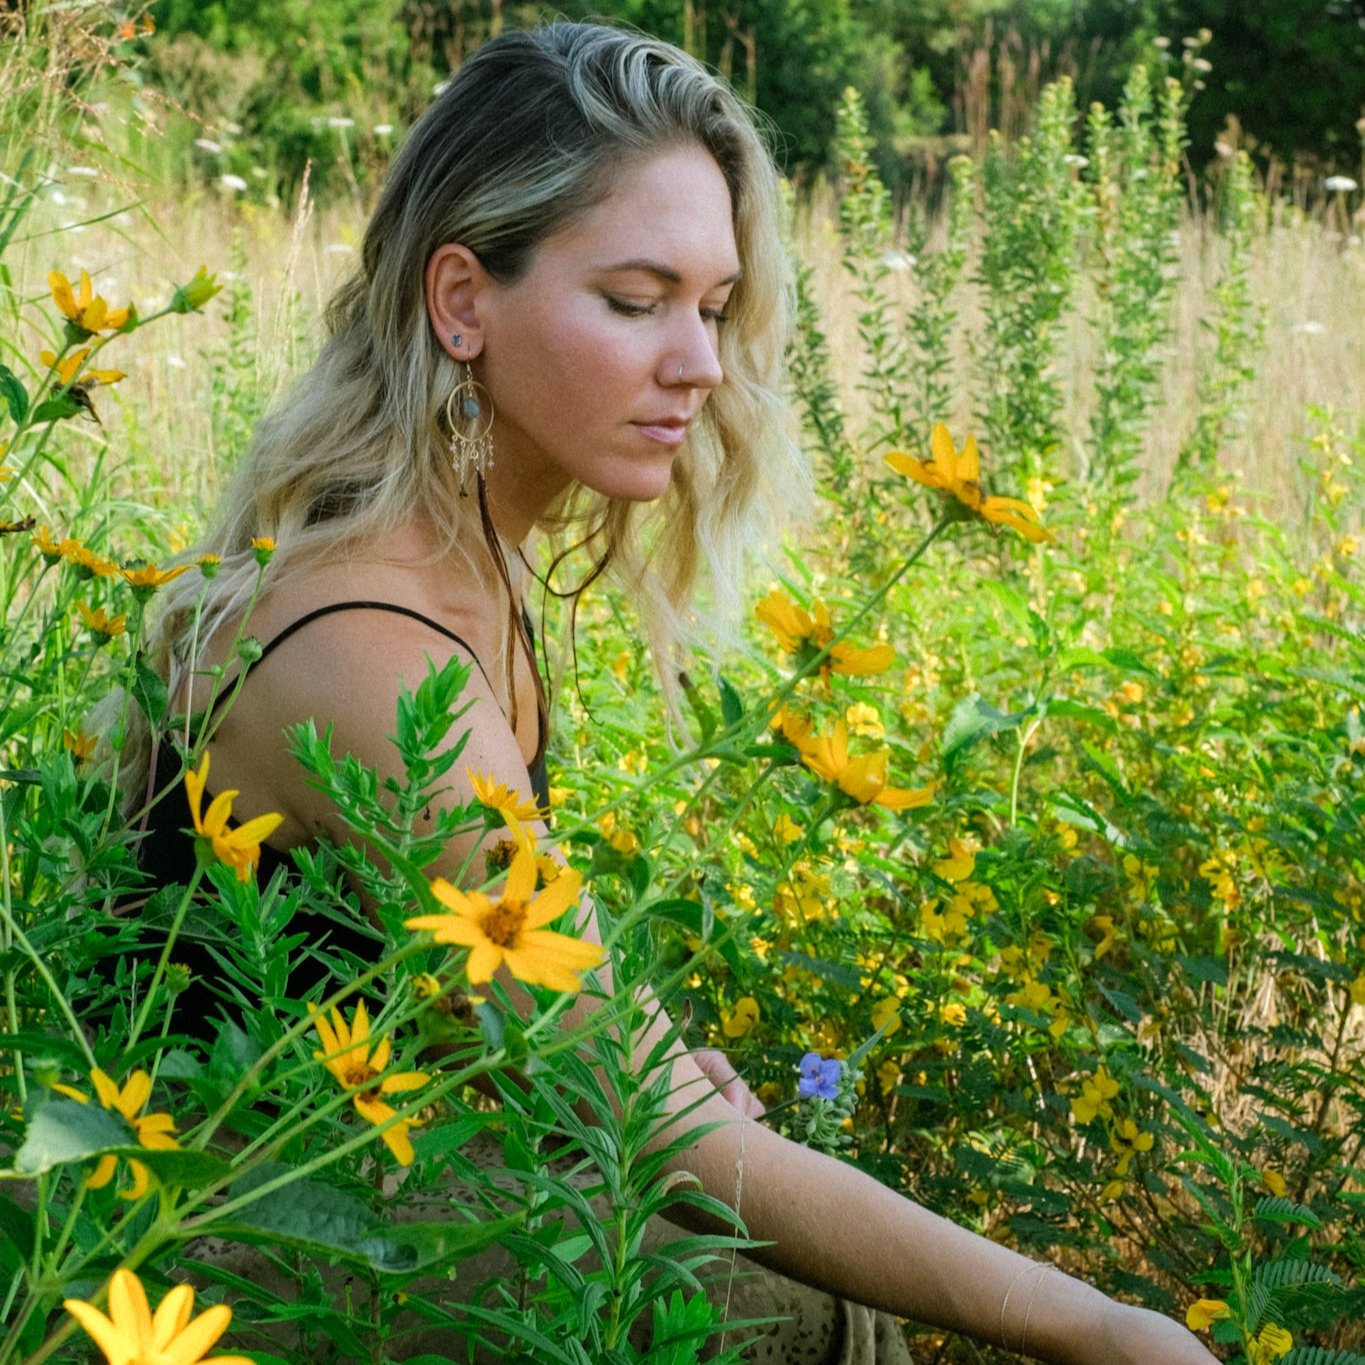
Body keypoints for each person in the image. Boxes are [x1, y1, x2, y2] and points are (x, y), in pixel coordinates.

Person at [132, 22, 1220, 1365]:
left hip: (343, 1184)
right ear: (460, 301)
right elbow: (645, 1116)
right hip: (198, 1249)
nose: (700, 364)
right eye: (636, 300)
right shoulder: (366, 641)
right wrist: (1098, 1322)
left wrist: (601, 1067)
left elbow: (502, 1021)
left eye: (709, 306)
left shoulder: (477, 575)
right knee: (782, 1301)